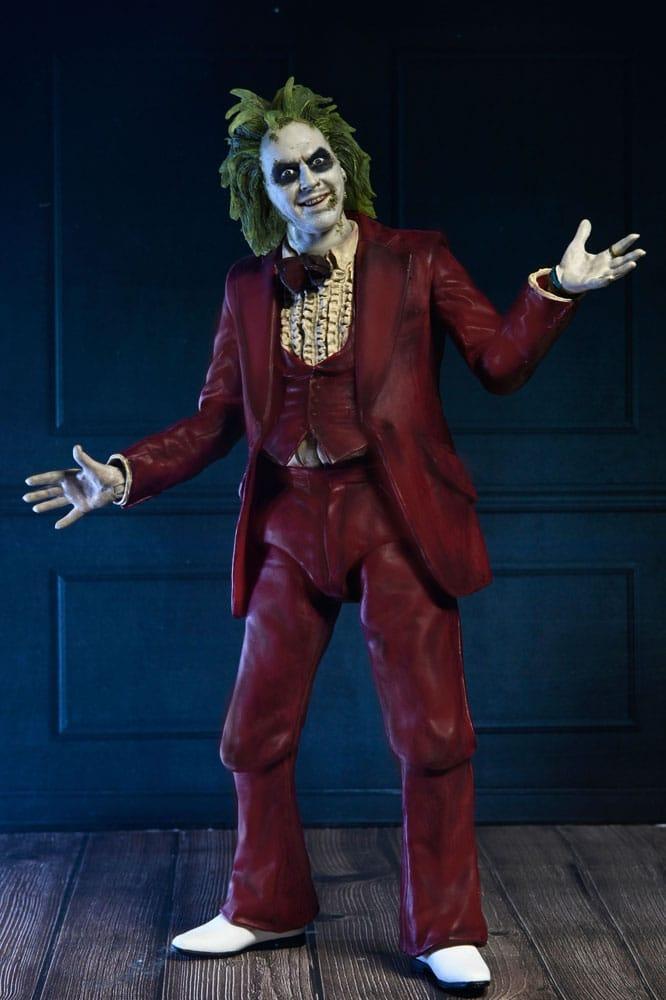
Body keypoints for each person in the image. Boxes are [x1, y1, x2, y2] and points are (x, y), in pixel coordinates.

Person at [22, 78, 645, 993]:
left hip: (395, 518)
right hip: (289, 522)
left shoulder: (416, 259)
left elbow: (498, 363)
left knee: (432, 733)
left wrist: (556, 292)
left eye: (320, 162)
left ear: (344, 167)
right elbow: (217, 419)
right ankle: (264, 903)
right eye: (286, 172)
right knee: (251, 733)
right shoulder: (246, 287)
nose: (308, 180)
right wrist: (121, 474)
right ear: (262, 191)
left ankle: (444, 927)